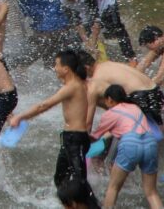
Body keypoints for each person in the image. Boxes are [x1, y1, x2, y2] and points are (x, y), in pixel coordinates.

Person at [8, 51, 97, 204]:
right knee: (60, 178)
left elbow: (45, 105)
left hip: (75, 139)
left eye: (57, 65)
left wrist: (19, 116)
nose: (54, 68)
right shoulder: (76, 84)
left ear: (66, 69)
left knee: (79, 182)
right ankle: (71, 205)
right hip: (70, 138)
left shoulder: (72, 86)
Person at [90, 84, 163, 209]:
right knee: (151, 192)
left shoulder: (110, 113)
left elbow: (95, 136)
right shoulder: (135, 107)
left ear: (109, 99)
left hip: (130, 143)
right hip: (150, 143)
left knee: (113, 187)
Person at [0, 0, 76, 68]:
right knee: (53, 63)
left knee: (21, 59)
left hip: (48, 28)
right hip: (59, 24)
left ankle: (2, 71)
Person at [79, 51, 164, 133]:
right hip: (156, 91)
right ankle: (162, 139)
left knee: (96, 96)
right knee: (156, 122)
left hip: (140, 96)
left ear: (86, 68)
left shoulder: (97, 78)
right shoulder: (108, 63)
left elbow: (113, 103)